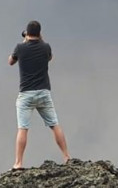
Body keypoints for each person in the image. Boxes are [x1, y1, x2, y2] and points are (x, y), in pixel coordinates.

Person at [8, 20, 71, 170]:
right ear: (39, 33)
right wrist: (40, 40)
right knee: (54, 124)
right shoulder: (45, 47)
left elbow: (10, 61)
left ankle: (18, 163)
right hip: (43, 92)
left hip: (26, 94)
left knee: (23, 128)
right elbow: (49, 57)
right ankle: (66, 157)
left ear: (27, 33)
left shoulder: (20, 48)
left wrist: (25, 41)